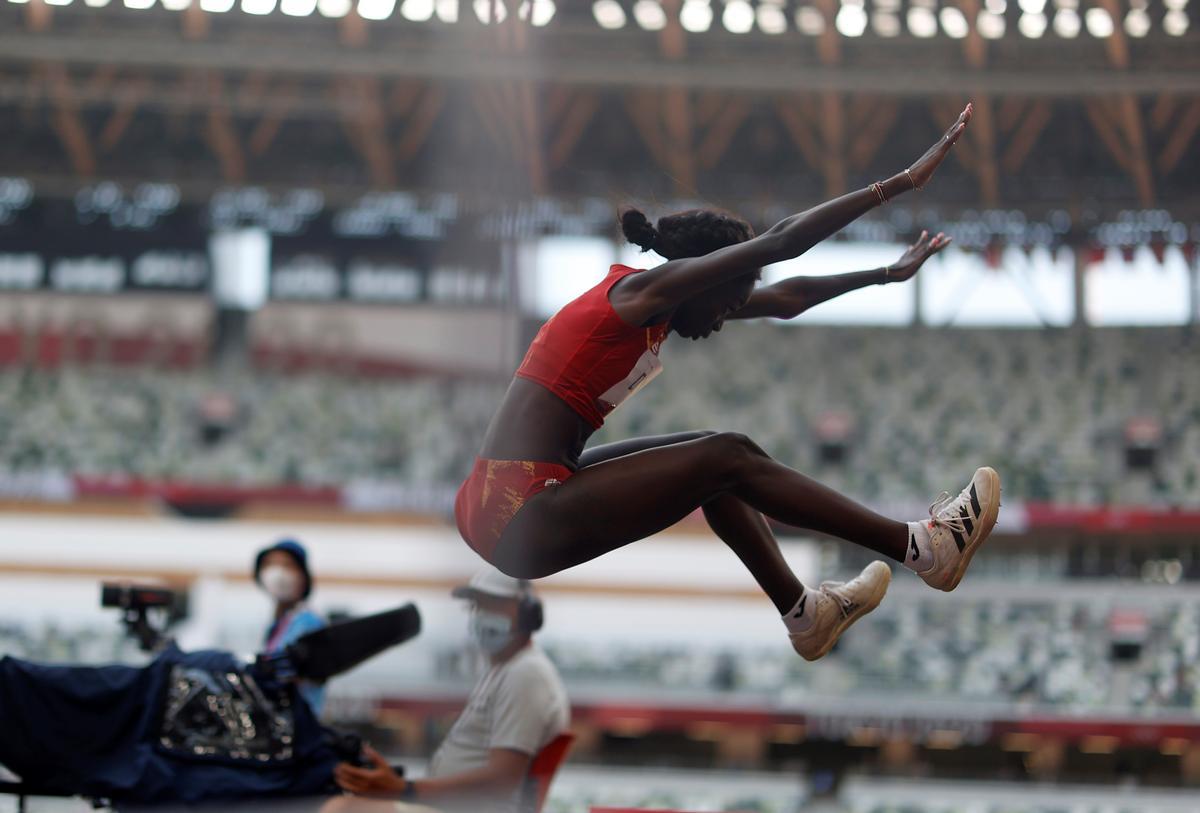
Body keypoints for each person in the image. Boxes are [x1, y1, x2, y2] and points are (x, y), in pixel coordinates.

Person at [454, 103, 1001, 662]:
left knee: (713, 466)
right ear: (703, 277)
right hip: (517, 509)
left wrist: (886, 274)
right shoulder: (639, 295)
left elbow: (786, 300)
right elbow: (782, 242)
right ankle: (923, 548)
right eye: (727, 306)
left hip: (525, 493)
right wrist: (901, 183)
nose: (722, 322)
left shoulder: (662, 307)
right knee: (728, 455)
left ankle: (805, 615)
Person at [326, 568, 570, 813]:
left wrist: (405, 789)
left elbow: (503, 780)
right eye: (477, 606)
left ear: (529, 613)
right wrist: (400, 786)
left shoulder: (525, 673)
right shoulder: (506, 670)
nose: (482, 615)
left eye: (495, 604)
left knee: (341, 809)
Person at [256, 539, 328, 714]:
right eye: (270, 564)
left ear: (303, 575)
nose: (278, 572)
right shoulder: (281, 623)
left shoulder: (308, 622)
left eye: (287, 565)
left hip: (299, 727)